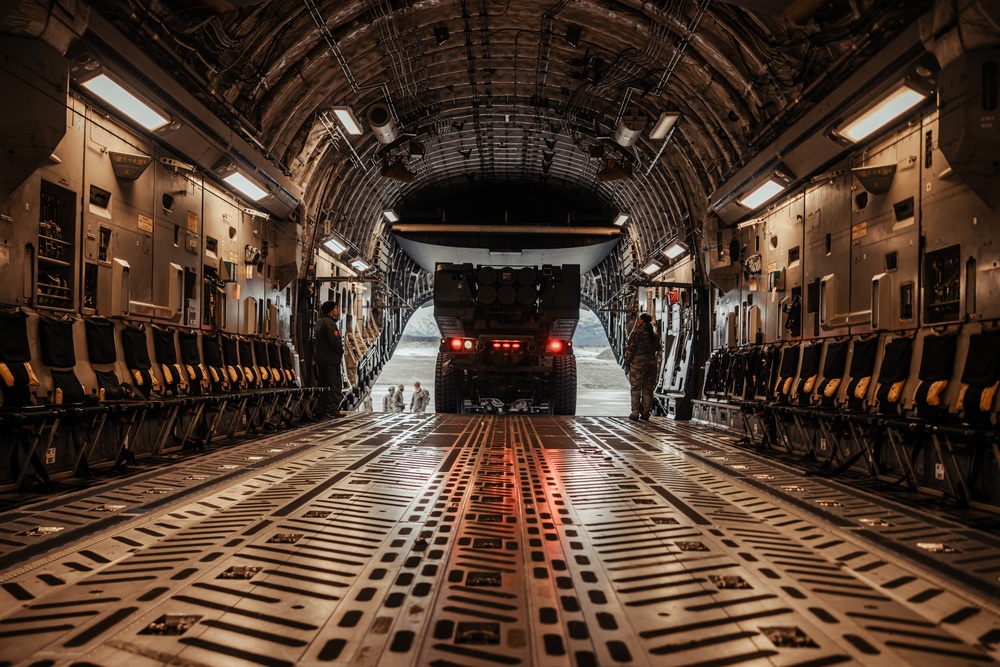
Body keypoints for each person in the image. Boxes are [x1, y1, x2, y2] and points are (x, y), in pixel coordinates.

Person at [624, 312, 661, 421]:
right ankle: (645, 413)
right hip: (651, 364)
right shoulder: (653, 334)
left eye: (639, 319)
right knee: (648, 390)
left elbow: (630, 350)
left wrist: (627, 364)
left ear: (641, 320)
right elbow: (657, 348)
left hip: (638, 364)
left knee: (636, 389)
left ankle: (635, 413)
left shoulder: (636, 332)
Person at [313, 300, 344, 418]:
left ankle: (321, 409)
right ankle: (332, 409)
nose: (337, 310)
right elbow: (334, 340)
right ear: (331, 310)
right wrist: (340, 351)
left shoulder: (319, 322)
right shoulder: (330, 323)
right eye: (336, 308)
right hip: (331, 360)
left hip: (321, 360)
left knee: (323, 385)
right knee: (334, 384)